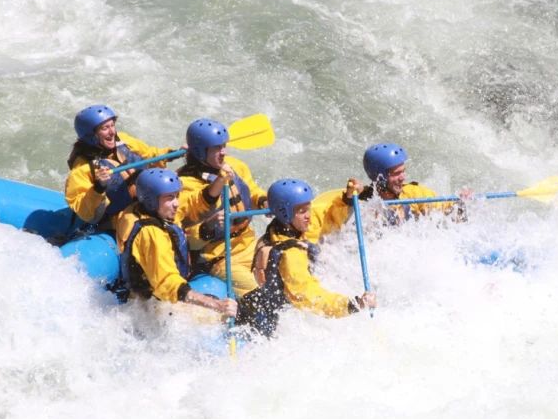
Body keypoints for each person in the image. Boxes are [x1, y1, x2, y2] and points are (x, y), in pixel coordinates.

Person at [237, 178, 376, 337]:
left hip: (258, 303)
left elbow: (327, 215)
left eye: (308, 209)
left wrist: (347, 199)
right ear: (285, 213)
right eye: (302, 211)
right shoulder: (291, 255)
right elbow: (309, 296)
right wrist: (353, 304)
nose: (308, 216)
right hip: (266, 323)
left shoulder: (284, 228)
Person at [116, 168, 237, 318]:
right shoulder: (150, 234)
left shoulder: (149, 210)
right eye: (170, 198)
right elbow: (167, 283)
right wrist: (215, 305)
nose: (176, 203)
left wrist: (219, 180)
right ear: (151, 200)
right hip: (153, 305)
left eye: (177, 196)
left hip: (161, 295)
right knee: (220, 317)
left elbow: (196, 202)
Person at [176, 118, 268, 297]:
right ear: (200, 152)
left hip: (250, 243)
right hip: (219, 257)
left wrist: (263, 199)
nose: (223, 152)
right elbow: (188, 236)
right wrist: (208, 225)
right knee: (260, 294)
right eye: (217, 148)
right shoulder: (185, 184)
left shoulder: (233, 166)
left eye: (224, 146)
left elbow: (250, 189)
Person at [64, 104, 183, 231]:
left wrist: (173, 154)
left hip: (147, 202)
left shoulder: (123, 140)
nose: (112, 132)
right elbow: (86, 212)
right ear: (91, 135)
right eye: (105, 128)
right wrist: (99, 187)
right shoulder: (82, 169)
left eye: (112, 125)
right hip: (120, 217)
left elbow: (150, 154)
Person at [360, 142, 466, 224]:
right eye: (396, 174)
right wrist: (349, 198)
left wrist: (462, 204)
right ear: (379, 177)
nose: (403, 177)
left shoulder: (412, 193)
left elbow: (447, 209)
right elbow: (344, 204)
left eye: (403, 171)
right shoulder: (360, 200)